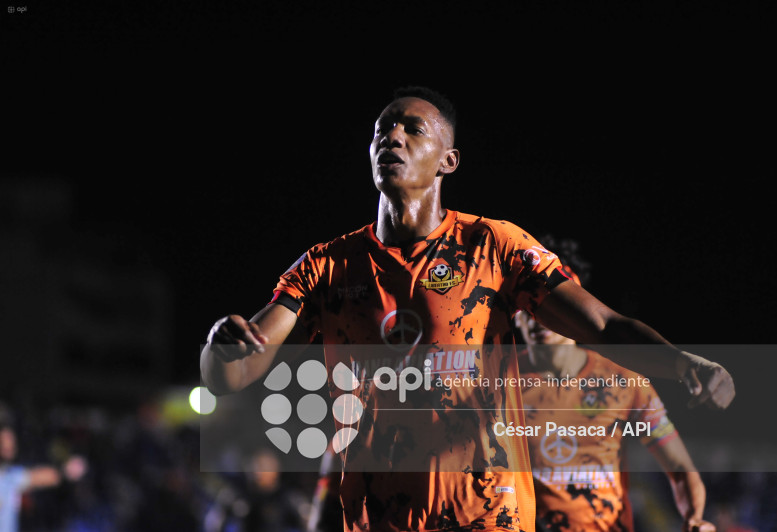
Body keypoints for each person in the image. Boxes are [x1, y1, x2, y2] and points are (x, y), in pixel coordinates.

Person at [200, 86, 734, 532]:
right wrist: (217, 350)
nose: (393, 137)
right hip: (377, 519)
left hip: (486, 515)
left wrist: (685, 362)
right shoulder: (327, 266)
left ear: (448, 161)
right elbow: (235, 372)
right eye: (384, 129)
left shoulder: (494, 247)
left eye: (413, 129)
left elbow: (601, 325)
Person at [512, 237, 714, 532]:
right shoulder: (498, 381)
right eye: (529, 309)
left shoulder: (624, 380)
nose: (539, 320)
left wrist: (694, 517)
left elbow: (681, 470)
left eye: (548, 307)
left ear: (574, 310)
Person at [0, 420, 87, 532]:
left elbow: (39, 477)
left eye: (11, 440)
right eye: (3, 441)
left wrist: (65, 471)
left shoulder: (10, 475)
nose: (9, 445)